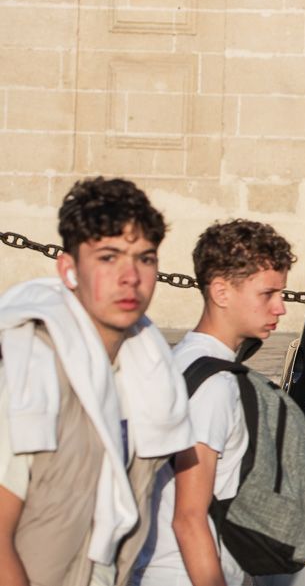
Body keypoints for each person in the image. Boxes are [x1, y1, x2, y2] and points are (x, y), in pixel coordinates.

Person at [0, 177, 192, 586]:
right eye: (108, 257)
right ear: (68, 269)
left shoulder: (150, 375)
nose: (130, 276)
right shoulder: (28, 369)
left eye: (145, 258)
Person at [133, 220, 295, 586]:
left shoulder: (181, 360)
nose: (280, 308)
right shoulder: (214, 386)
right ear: (221, 292)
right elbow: (189, 518)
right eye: (267, 294)